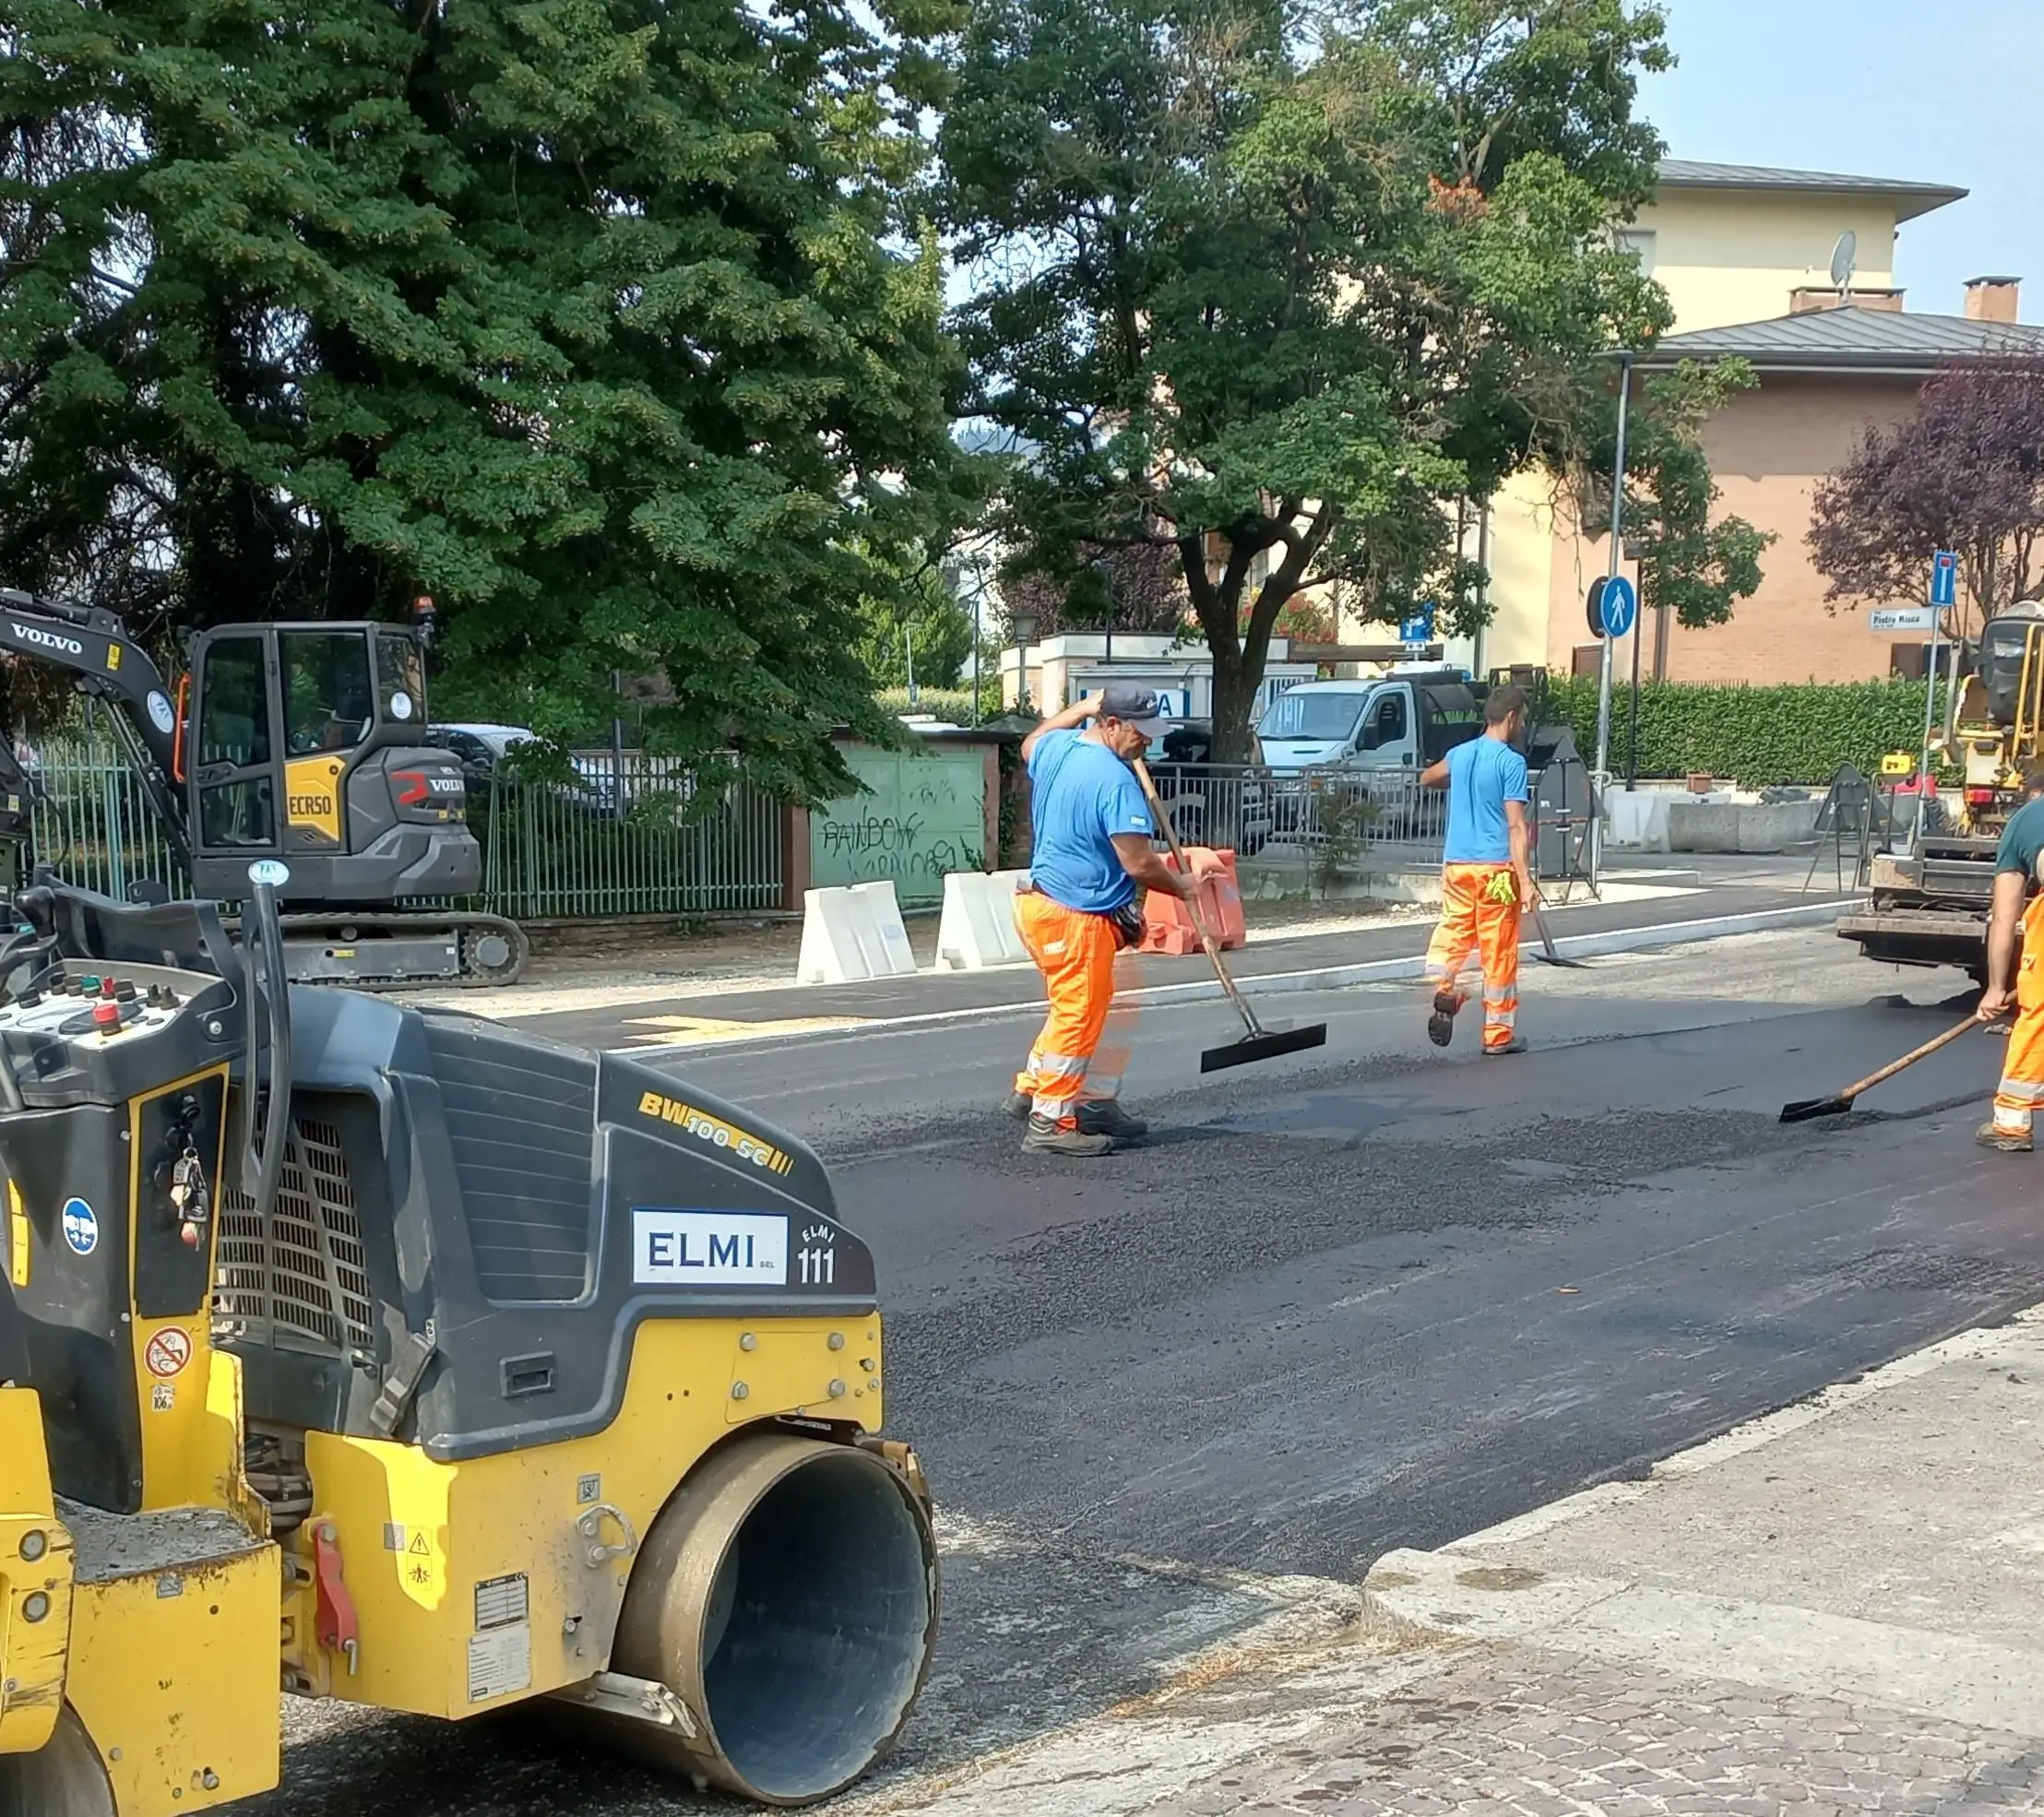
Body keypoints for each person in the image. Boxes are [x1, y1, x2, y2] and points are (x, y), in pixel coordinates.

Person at [1004, 683, 1198, 1156]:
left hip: (1039, 906)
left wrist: (1079, 709)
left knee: (1089, 1004)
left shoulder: (1060, 749)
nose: (1148, 742)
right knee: (1078, 1012)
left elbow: (1031, 742)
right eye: (1140, 732)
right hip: (1077, 916)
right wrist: (1182, 886)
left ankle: (1064, 1092)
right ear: (1111, 725)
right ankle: (1049, 1121)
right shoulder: (1115, 782)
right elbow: (1138, 863)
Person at [1420, 684, 1535, 1056]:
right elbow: (1516, 826)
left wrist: (1459, 782)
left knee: (1454, 929)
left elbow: (1428, 778)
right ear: (1513, 716)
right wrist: (1525, 880)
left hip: (1456, 866)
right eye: (1524, 719)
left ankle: (1442, 986)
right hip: (1496, 872)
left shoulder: (1461, 754)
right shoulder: (1511, 762)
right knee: (1498, 949)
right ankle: (1498, 1035)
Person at [1973, 768, 2044, 1150]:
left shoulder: (2024, 820)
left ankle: (2013, 1121)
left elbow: (2004, 918)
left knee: (2039, 1013)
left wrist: (1996, 988)